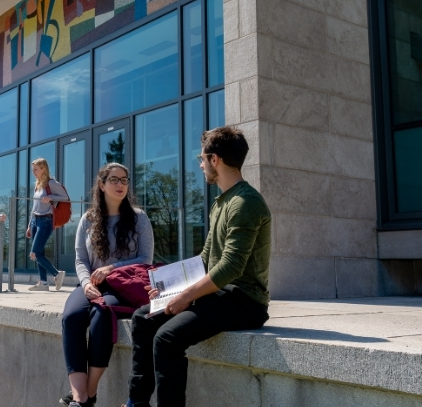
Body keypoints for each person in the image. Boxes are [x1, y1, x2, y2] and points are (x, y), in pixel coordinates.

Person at [122, 126, 272, 407]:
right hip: (219, 294)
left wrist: (186, 296)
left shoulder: (245, 203)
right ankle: (136, 402)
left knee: (166, 339)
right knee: (143, 318)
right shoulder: (221, 202)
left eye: (202, 159)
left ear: (215, 159)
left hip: (244, 301)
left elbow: (232, 266)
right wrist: (166, 287)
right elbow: (206, 258)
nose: (201, 165)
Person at [61, 163, 154, 407]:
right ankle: (79, 395)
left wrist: (111, 268)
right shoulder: (88, 219)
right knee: (71, 316)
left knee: (102, 313)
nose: (120, 184)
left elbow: (146, 260)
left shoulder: (139, 218)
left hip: (122, 286)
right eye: (114, 180)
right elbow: (80, 259)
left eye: (124, 180)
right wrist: (85, 283)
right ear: (101, 185)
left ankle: (89, 393)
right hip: (91, 284)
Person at [26, 158, 69, 291]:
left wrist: (51, 197)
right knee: (40, 252)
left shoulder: (51, 183)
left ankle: (57, 274)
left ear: (43, 169)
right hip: (35, 220)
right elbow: (34, 207)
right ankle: (43, 282)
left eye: (36, 169)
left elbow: (65, 197)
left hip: (46, 220)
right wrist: (29, 225)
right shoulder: (37, 185)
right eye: (33, 170)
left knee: (35, 253)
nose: (33, 172)